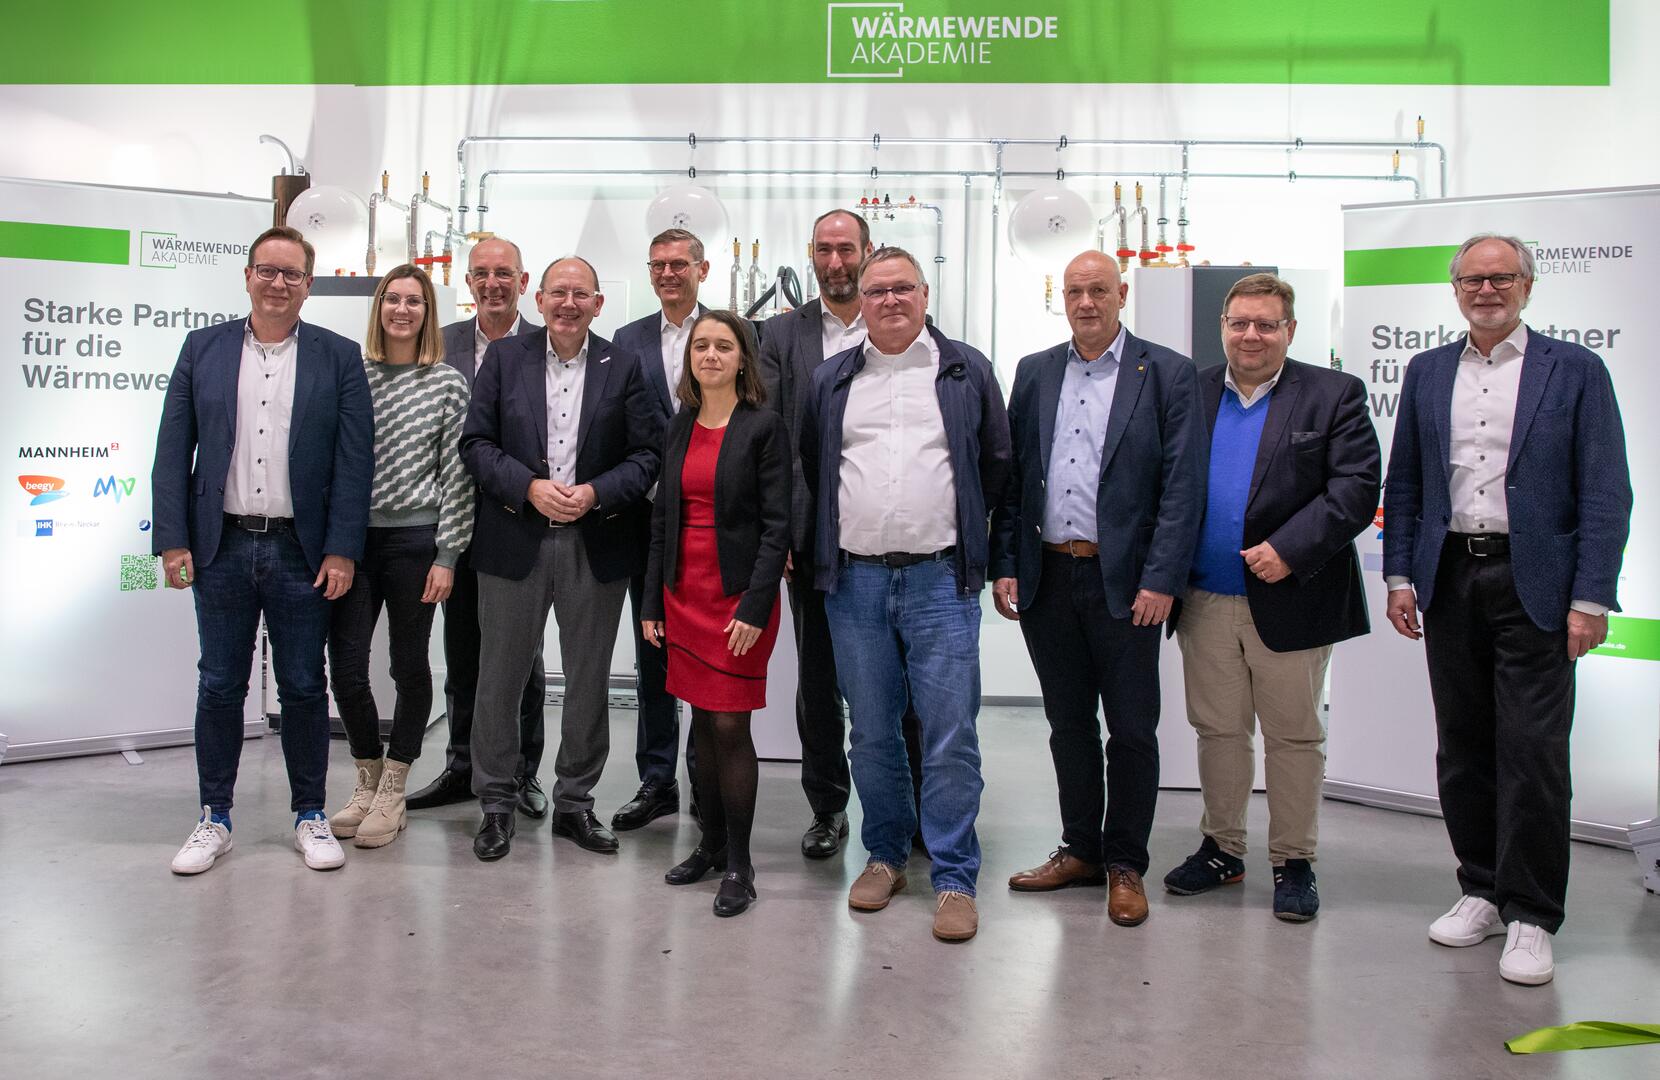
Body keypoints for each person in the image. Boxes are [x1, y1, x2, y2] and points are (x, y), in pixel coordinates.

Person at [1383, 233, 1631, 985]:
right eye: (1472, 279)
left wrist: (1591, 596)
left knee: (1533, 751)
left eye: (1501, 278)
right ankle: (1482, 889)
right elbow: (1407, 483)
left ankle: (1531, 913)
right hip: (1451, 575)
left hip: (1539, 584)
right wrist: (1400, 577)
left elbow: (1605, 490)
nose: (1485, 290)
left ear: (1527, 285)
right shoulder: (1428, 371)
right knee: (1462, 746)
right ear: (1455, 289)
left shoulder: (1575, 370)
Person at [800, 247, 1010, 943]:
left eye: (902, 288)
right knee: (871, 730)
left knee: (951, 733)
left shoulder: (964, 370)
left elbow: (997, 467)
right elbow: (814, 468)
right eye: (876, 291)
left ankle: (954, 876)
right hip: (854, 580)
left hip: (939, 580)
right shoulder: (833, 378)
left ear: (924, 294)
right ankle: (886, 855)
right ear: (858, 302)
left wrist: (984, 548)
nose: (889, 300)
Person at [990, 250, 1205, 928]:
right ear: (1063, 297)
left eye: (1099, 290)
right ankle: (1081, 848)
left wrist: (1162, 578)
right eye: (1075, 291)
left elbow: (1182, 488)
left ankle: (1126, 863)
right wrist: (1006, 561)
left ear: (1122, 294)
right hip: (1049, 576)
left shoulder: (1166, 372)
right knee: (1068, 725)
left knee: (1133, 730)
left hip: (1129, 584)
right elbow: (1015, 479)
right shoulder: (1035, 371)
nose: (1087, 302)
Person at [1160, 272, 1380, 921]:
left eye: (1266, 324)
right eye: (1240, 323)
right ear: (1223, 327)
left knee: (1294, 736)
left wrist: (1289, 548)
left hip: (1293, 597)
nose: (1251, 335)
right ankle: (1222, 849)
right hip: (1205, 599)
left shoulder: (1333, 394)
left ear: (1290, 330)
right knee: (1218, 730)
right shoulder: (1192, 391)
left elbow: (1356, 489)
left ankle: (1293, 861)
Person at [154, 224, 373, 874]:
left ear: (309, 284)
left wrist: (342, 548)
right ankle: (214, 818)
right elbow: (173, 450)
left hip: (300, 552)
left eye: (291, 273)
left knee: (303, 685)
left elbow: (354, 462)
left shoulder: (339, 356)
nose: (278, 283)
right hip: (220, 545)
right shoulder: (203, 348)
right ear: (248, 276)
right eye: (267, 270)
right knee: (220, 684)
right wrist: (172, 540)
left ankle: (310, 814)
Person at [459, 256, 663, 861]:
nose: (568, 304)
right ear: (539, 299)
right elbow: (476, 443)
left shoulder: (624, 365)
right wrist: (527, 486)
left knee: (588, 680)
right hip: (513, 538)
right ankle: (496, 803)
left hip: (594, 543)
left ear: (598, 304)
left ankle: (575, 802)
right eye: (558, 293)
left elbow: (648, 455)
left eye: (581, 294)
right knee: (498, 680)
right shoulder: (504, 359)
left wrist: (597, 492)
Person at [758, 208, 925, 859]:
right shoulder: (780, 335)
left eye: (846, 249)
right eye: (824, 250)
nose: (835, 262)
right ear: (811, 254)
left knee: (902, 682)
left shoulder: (903, 325)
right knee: (820, 683)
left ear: (867, 250)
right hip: (813, 542)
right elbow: (773, 442)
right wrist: (785, 532)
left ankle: (912, 809)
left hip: (894, 539)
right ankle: (828, 807)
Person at [642, 310, 791, 917]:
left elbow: (778, 527)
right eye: (700, 346)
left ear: (742, 358)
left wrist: (756, 605)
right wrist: (652, 601)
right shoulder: (679, 424)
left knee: (729, 727)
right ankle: (709, 846)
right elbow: (662, 520)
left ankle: (740, 863)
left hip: (736, 599)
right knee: (700, 726)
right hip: (684, 593)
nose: (710, 355)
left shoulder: (763, 427)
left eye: (723, 346)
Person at [325, 265, 473, 849]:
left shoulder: (447, 383)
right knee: (346, 668)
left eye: (414, 301)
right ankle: (365, 777)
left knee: (409, 668)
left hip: (416, 543)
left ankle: (394, 787)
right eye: (393, 299)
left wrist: (448, 555)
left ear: (427, 312)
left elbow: (457, 477)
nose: (402, 310)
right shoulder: (352, 376)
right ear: (379, 307)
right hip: (353, 544)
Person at [408, 236, 549, 818]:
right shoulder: (439, 345)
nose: (492, 283)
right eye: (481, 274)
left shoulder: (545, 344)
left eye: (503, 273)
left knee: (523, 659)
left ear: (523, 282)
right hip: (455, 522)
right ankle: (462, 766)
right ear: (468, 282)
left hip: (518, 521)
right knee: (462, 650)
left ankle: (523, 772)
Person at [609, 227, 713, 830]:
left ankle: (705, 777)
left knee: (703, 650)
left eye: (678, 263)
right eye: (657, 265)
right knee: (652, 650)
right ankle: (657, 780)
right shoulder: (628, 339)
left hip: (708, 515)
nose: (667, 273)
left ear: (702, 269)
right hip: (645, 516)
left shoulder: (729, 333)